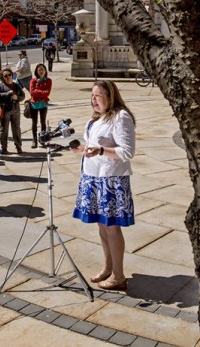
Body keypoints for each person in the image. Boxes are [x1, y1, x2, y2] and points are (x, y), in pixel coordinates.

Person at [71, 81, 136, 291]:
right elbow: (96, 146)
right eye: (92, 96)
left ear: (110, 96)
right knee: (101, 226)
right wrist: (83, 149)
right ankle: (108, 267)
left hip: (110, 180)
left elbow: (127, 152)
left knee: (112, 227)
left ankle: (118, 276)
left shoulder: (121, 117)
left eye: (98, 96)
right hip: (93, 176)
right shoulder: (97, 118)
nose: (94, 100)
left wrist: (99, 151)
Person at [0, 68, 25, 154]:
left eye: (9, 75)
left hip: (15, 109)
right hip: (5, 110)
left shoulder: (16, 85)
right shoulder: (0, 86)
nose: (8, 77)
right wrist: (7, 93)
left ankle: (18, 147)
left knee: (16, 129)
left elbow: (23, 95)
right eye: (5, 76)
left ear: (12, 75)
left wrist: (17, 98)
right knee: (4, 130)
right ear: (2, 77)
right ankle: (4, 148)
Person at [29, 63, 52, 148]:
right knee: (34, 123)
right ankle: (34, 140)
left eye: (42, 69)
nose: (41, 71)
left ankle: (42, 139)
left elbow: (47, 93)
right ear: (36, 71)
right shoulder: (33, 80)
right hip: (34, 104)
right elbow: (32, 92)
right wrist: (42, 93)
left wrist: (37, 92)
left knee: (43, 122)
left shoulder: (48, 80)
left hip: (43, 104)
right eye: (39, 70)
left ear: (45, 70)